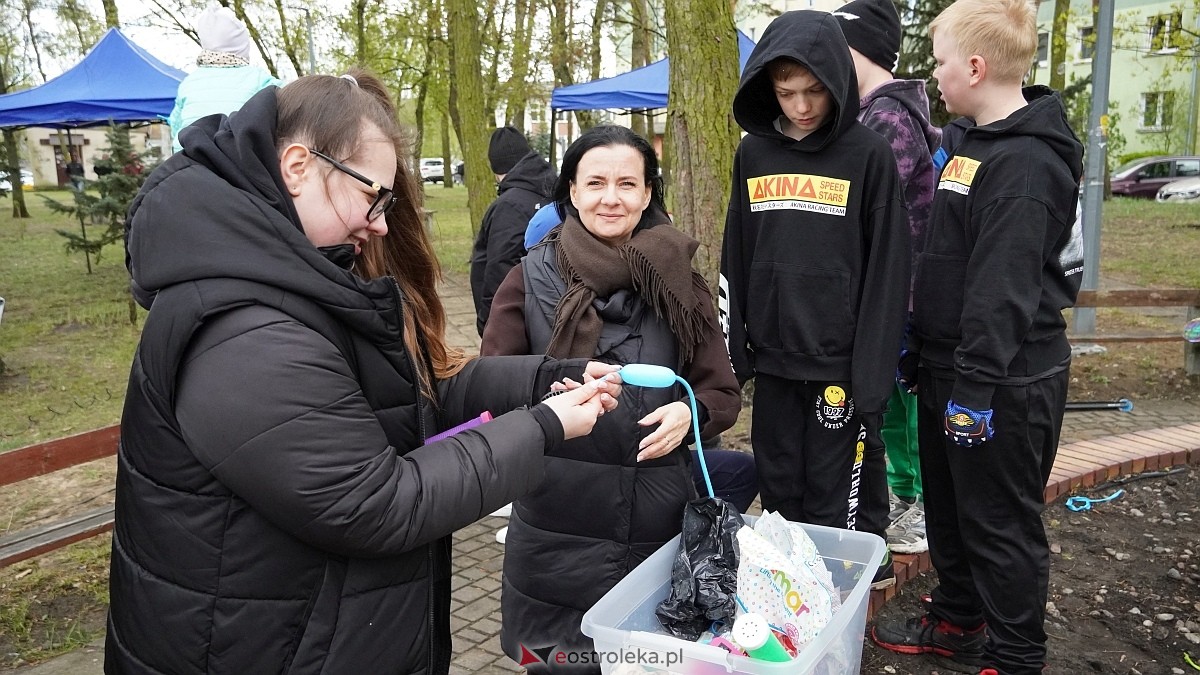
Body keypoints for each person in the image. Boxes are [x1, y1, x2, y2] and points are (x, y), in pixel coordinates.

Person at [107, 69, 623, 675]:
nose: (379, 222)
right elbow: (375, 504)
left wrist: (543, 379)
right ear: (298, 166)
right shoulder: (245, 325)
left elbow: (411, 392)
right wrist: (542, 427)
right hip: (261, 644)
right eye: (370, 195)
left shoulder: (298, 278)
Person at [869, 0, 1084, 673]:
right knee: (954, 513)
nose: (931, 76)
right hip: (948, 368)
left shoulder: (1025, 165)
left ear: (975, 65)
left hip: (1001, 382)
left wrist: (976, 389)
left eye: (937, 62)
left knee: (999, 524)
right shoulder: (968, 142)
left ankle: (1016, 657)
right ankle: (960, 618)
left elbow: (1003, 290)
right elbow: (946, 255)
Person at [481, 124, 741, 672]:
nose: (611, 197)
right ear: (571, 192)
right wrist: (545, 395)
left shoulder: (683, 285)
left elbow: (721, 391)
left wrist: (690, 411)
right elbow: (490, 386)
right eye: (595, 182)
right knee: (555, 662)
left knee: (645, 664)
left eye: (628, 183)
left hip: (656, 527)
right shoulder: (528, 279)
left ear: (648, 193)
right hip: (554, 526)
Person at [719, 9, 910, 590]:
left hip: (840, 365)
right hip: (775, 359)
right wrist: (735, 350)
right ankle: (790, 593)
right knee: (779, 485)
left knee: (836, 488)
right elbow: (737, 252)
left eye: (813, 91)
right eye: (786, 92)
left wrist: (872, 375)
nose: (800, 106)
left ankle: (841, 593)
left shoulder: (868, 156)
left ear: (838, 82)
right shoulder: (754, 154)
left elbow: (888, 271)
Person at [834, 0, 942, 559]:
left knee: (907, 399)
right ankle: (905, 492)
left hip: (903, 294)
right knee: (895, 405)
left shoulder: (889, 119)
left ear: (859, 53)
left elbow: (872, 210)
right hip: (888, 292)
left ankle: (923, 503)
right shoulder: (870, 114)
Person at [470, 126, 557, 336]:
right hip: (547, 311)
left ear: (497, 169)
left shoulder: (509, 206)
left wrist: (489, 323)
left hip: (515, 319)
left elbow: (501, 266)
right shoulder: (553, 191)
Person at [167, 4, 279, 153]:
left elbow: (174, 125)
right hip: (236, 160)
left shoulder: (189, 82)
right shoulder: (260, 79)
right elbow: (288, 108)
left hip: (187, 158)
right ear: (243, 47)